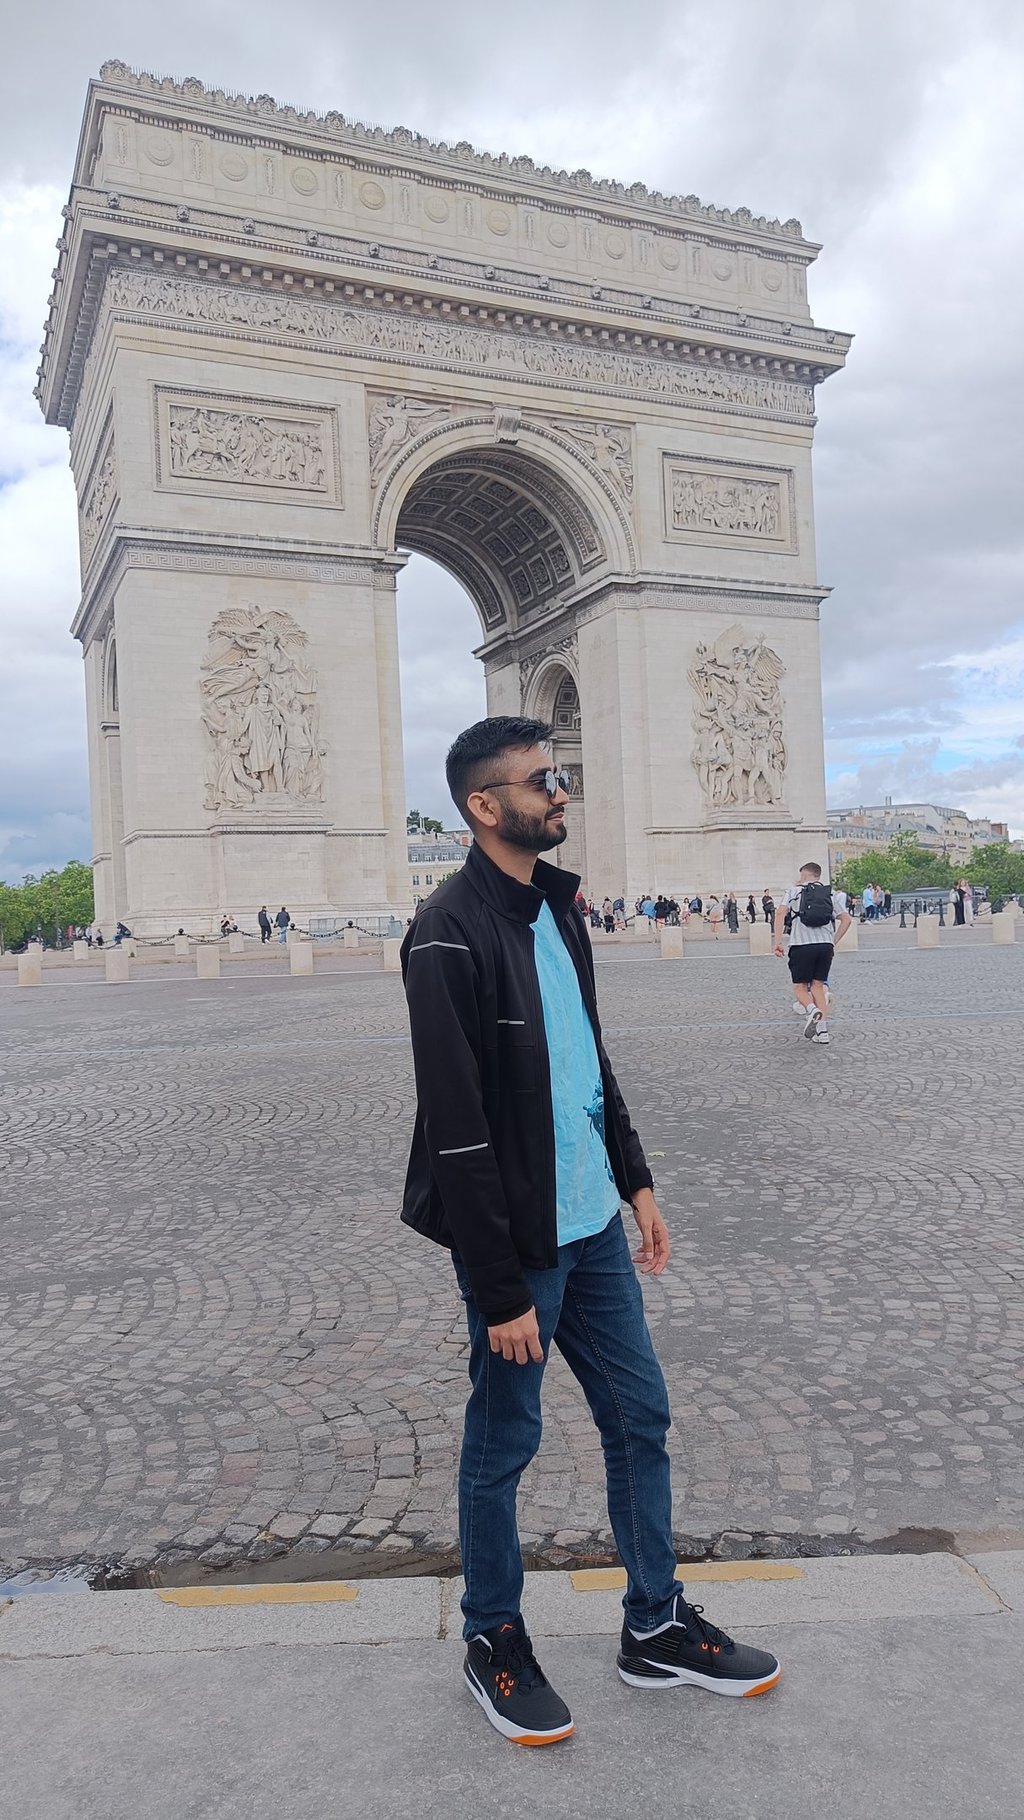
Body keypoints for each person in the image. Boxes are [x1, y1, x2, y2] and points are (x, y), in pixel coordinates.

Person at [400, 717, 781, 1746]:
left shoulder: (557, 911)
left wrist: (635, 1178)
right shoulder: (444, 933)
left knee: (640, 1417)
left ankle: (654, 1623)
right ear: (485, 805)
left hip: (593, 1226)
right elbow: (456, 1129)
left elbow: (589, 1059)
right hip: (520, 1244)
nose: (562, 792)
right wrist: (497, 1288)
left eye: (560, 775)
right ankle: (493, 1637)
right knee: (503, 1444)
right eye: (542, 781)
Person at [774, 863, 852, 1045]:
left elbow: (780, 913)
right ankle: (822, 1032)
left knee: (800, 987)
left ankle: (811, 1010)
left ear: (803, 875)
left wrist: (777, 942)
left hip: (801, 945)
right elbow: (846, 919)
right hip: (825, 946)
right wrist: (833, 942)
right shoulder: (830, 893)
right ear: (818, 875)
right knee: (818, 986)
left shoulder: (793, 891)